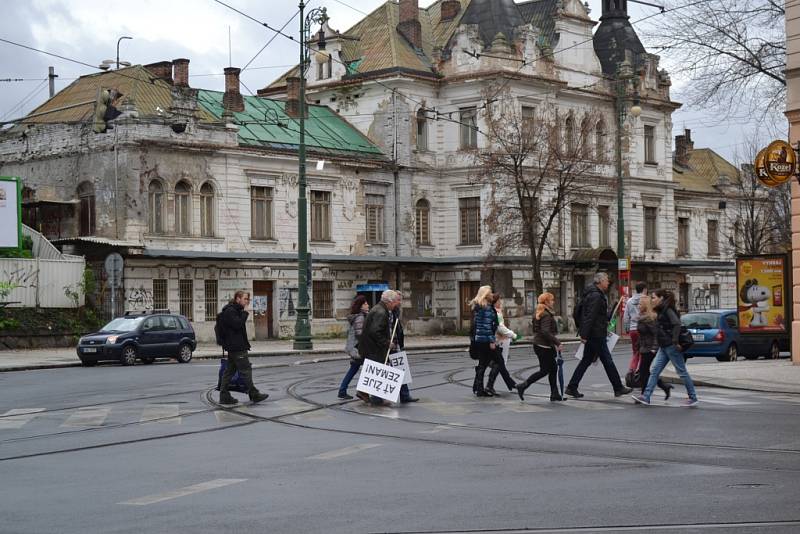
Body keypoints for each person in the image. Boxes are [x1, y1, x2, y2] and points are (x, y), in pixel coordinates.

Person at [566, 272, 632, 399]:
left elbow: (597, 315)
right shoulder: (596, 296)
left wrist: (612, 310)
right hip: (596, 334)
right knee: (607, 361)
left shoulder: (593, 294)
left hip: (594, 332)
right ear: (600, 281)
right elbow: (590, 316)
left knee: (586, 361)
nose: (608, 282)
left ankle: (572, 387)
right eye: (606, 280)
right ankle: (618, 387)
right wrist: (584, 335)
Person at [633, 289, 698, 407]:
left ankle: (693, 397)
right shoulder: (661, 310)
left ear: (661, 298)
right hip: (663, 346)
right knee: (654, 371)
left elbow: (677, 323)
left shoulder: (667, 310)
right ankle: (646, 397)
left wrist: (674, 340)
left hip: (671, 346)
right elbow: (660, 330)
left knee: (682, 372)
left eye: (653, 297)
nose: (652, 300)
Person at [218, 290, 269, 405]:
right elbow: (237, 325)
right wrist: (245, 313)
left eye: (248, 299)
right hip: (237, 347)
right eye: (245, 299)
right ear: (238, 299)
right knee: (245, 370)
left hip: (235, 346)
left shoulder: (234, 310)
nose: (247, 302)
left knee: (229, 371)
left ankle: (224, 395)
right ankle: (254, 394)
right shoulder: (231, 311)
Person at [516, 292, 565, 402]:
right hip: (543, 346)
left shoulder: (540, 312)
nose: (553, 302)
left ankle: (554, 393)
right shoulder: (546, 314)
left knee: (553, 369)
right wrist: (557, 343)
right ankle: (523, 385)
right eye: (552, 300)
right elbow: (545, 331)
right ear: (547, 302)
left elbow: (538, 330)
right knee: (545, 370)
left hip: (542, 345)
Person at [358, 289, 402, 406]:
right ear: (389, 302)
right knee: (378, 372)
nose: (396, 305)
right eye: (395, 302)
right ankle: (376, 398)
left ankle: (365, 393)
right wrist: (387, 343)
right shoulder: (381, 312)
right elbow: (375, 331)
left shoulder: (378, 309)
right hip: (374, 348)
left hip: (370, 347)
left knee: (375, 371)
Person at [635, 294, 673, 399]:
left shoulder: (650, 318)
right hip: (644, 347)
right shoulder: (642, 317)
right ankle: (664, 386)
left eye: (640, 304)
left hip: (650, 348)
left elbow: (656, 333)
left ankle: (644, 394)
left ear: (645, 305)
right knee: (646, 371)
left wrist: (654, 348)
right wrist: (638, 345)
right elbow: (642, 334)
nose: (638, 305)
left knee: (643, 371)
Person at [485, 293, 517, 396]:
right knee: (499, 364)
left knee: (499, 364)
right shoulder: (496, 313)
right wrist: (513, 335)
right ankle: (490, 386)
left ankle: (510, 384)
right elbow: (500, 328)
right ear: (495, 302)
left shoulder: (494, 312)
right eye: (499, 301)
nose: (501, 302)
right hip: (499, 341)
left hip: (496, 340)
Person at [469, 285, 499, 397]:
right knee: (496, 362)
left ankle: (479, 387)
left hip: (479, 339)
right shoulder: (485, 308)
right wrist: (492, 341)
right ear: (486, 294)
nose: (492, 294)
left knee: (483, 364)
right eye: (490, 292)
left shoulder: (479, 306)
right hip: (485, 340)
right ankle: (483, 387)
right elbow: (487, 326)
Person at [389, 292, 419, 403]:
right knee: (390, 371)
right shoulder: (390, 311)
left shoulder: (396, 311)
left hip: (396, 344)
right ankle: (376, 396)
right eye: (398, 300)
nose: (400, 302)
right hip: (390, 345)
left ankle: (405, 395)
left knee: (401, 370)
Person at [338, 295, 369, 400]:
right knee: (368, 370)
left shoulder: (360, 316)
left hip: (356, 348)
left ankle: (342, 390)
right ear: (360, 306)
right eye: (365, 303)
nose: (367, 305)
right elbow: (360, 333)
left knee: (353, 369)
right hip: (359, 349)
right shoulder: (360, 317)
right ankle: (362, 391)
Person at [623, 282, 647, 375]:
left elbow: (625, 317)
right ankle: (640, 372)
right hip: (644, 329)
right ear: (644, 289)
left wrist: (627, 328)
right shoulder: (646, 300)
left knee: (635, 352)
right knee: (643, 352)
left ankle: (631, 371)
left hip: (633, 330)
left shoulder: (629, 301)